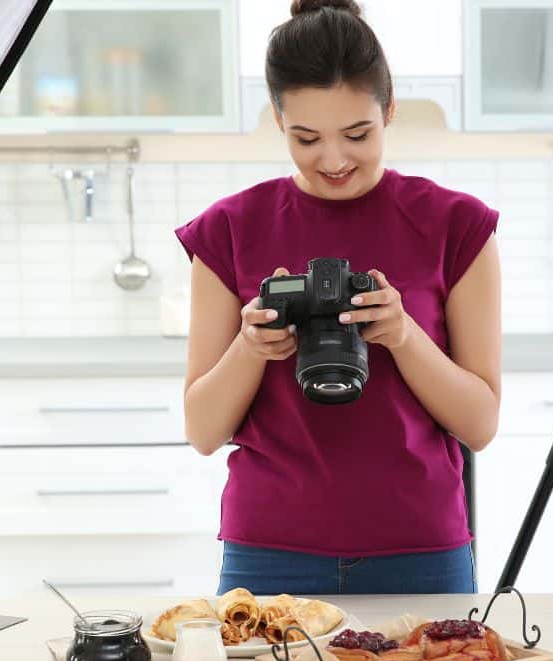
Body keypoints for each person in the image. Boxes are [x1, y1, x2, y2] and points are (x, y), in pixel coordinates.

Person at [175, 0, 501, 595]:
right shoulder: (227, 230)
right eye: (306, 138)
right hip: (267, 551)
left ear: (390, 109)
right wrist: (251, 346)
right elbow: (202, 429)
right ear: (278, 121)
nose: (333, 160)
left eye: (357, 134)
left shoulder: (458, 226)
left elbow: (479, 424)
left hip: (420, 546)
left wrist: (402, 336)